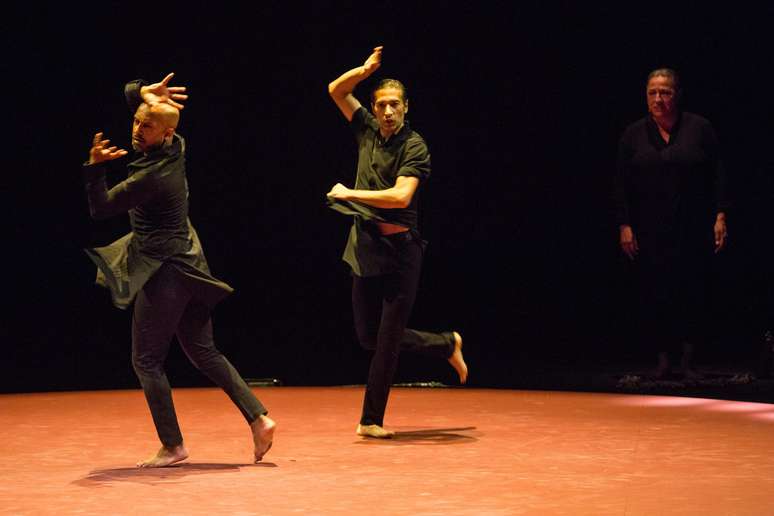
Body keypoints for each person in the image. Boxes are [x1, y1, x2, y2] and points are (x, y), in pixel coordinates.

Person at [83, 73, 275, 467]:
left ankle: (173, 446)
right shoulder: (176, 148)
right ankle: (259, 418)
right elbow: (149, 112)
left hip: (165, 270)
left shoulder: (151, 177)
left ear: (166, 134)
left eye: (147, 126)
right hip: (189, 262)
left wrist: (94, 167)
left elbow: (100, 208)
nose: (137, 129)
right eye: (136, 120)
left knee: (146, 360)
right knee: (203, 350)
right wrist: (141, 93)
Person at [326, 46, 468, 439]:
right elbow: (336, 90)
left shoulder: (415, 146)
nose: (388, 112)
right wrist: (364, 70)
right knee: (368, 337)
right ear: (373, 109)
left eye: (395, 105)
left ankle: (371, 420)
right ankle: (444, 343)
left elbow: (400, 197)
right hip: (365, 248)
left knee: (387, 342)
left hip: (402, 252)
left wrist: (350, 193)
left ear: (406, 108)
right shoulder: (367, 129)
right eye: (382, 105)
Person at [614, 68, 730, 378]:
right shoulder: (634, 134)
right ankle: (662, 360)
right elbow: (621, 184)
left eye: (664, 92)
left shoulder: (699, 128)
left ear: (677, 94)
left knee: (692, 290)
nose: (658, 98)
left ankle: (689, 361)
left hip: (692, 225)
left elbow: (718, 175)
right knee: (656, 291)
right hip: (650, 229)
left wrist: (720, 215)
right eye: (652, 92)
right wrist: (624, 225)